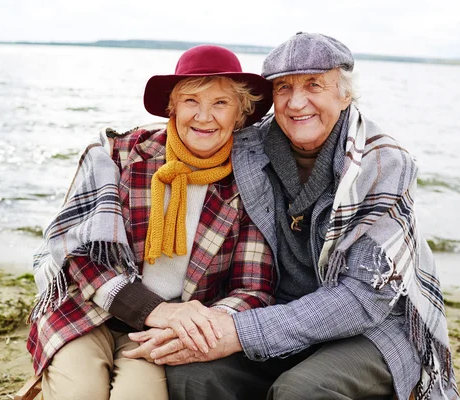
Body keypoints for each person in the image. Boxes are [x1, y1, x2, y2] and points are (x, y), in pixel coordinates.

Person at [127, 33, 459, 400]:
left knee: (301, 390)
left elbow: (365, 298)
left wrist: (238, 332)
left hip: (372, 327)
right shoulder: (251, 146)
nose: (297, 102)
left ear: (344, 93)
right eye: (284, 87)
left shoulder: (382, 163)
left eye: (314, 84)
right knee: (192, 376)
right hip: (276, 309)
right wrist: (117, 149)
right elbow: (193, 134)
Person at [26, 44, 276, 400]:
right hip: (86, 309)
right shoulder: (119, 154)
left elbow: (253, 287)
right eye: (191, 101)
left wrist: (200, 325)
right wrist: (155, 310)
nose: (204, 116)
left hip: (164, 331)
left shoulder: (250, 183)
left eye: (220, 103)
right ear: (171, 108)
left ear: (241, 113)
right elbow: (76, 251)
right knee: (79, 392)